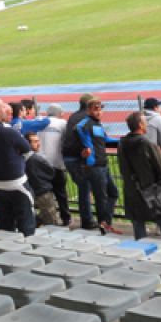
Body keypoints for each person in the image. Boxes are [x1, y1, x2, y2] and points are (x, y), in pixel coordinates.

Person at [0, 98, 35, 236]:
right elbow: (27, 148)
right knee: (26, 222)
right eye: (4, 108)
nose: (8, 110)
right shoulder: (7, 131)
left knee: (5, 223)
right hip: (16, 182)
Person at [118, 112, 161, 243]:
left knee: (138, 225)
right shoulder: (146, 143)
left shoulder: (122, 144)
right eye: (145, 122)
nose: (147, 124)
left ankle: (142, 252)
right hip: (152, 190)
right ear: (140, 124)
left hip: (132, 190)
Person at [75, 98, 120, 235]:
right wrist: (87, 151)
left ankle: (105, 223)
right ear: (88, 110)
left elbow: (105, 140)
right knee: (101, 199)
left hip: (103, 165)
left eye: (100, 109)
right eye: (95, 109)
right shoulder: (85, 124)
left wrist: (123, 140)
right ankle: (104, 229)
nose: (99, 112)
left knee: (113, 193)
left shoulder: (97, 125)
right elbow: (79, 130)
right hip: (95, 167)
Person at [63, 93, 97, 230]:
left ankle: (88, 219)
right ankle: (87, 220)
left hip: (69, 158)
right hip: (78, 159)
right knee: (85, 189)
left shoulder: (73, 116)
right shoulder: (87, 119)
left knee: (85, 189)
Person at [38, 104, 71, 226]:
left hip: (41, 163)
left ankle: (47, 217)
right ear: (60, 113)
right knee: (61, 193)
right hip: (57, 163)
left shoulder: (39, 121)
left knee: (44, 193)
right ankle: (66, 217)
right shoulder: (62, 123)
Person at [25, 132, 59, 226]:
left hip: (34, 192)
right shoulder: (36, 159)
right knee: (51, 222)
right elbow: (51, 172)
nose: (38, 143)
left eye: (38, 141)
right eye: (35, 141)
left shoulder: (22, 157)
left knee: (41, 217)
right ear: (28, 143)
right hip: (43, 193)